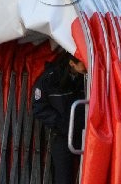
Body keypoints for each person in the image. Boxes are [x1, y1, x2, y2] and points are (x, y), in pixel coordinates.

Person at [31, 51, 86, 184]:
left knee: (91, 173)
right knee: (63, 178)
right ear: (72, 63)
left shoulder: (88, 77)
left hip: (85, 134)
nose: (88, 66)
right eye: (84, 63)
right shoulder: (50, 78)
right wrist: (61, 123)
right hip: (62, 135)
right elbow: (38, 107)